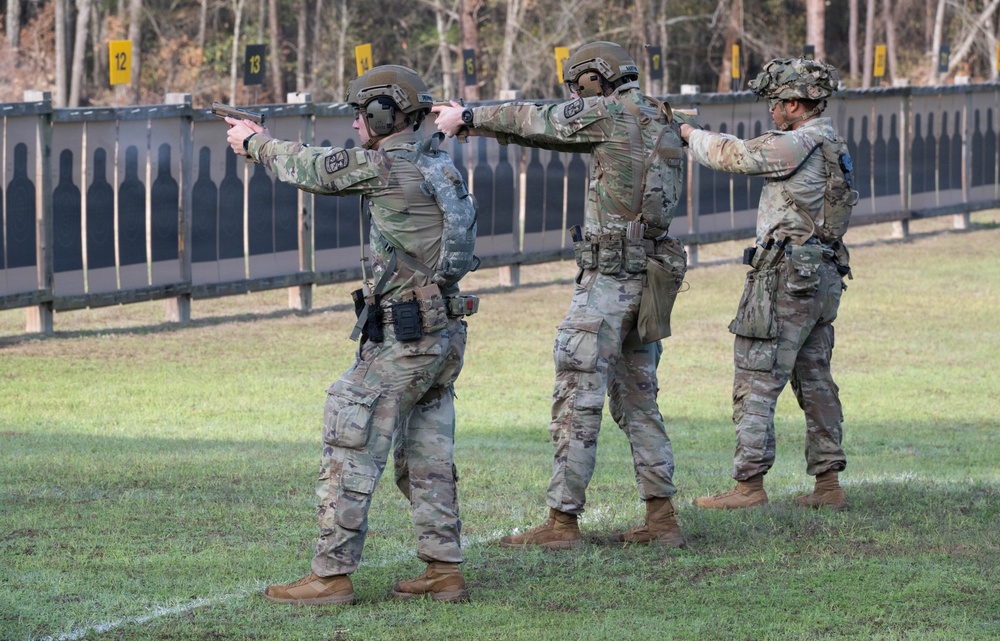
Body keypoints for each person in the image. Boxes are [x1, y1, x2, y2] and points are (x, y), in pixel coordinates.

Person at [225, 65, 478, 604]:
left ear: (383, 114)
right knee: (429, 454)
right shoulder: (436, 161)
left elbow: (313, 168)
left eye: (363, 113)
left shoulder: (388, 166)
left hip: (405, 336)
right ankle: (443, 569)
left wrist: (255, 143)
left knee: (349, 439)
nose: (358, 124)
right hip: (443, 333)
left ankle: (331, 575)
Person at [435, 41, 690, 548]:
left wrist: (468, 114)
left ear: (596, 80)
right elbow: (554, 134)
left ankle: (562, 522)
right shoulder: (656, 114)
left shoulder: (612, 112)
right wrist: (476, 123)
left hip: (610, 278)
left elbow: (542, 119)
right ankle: (661, 519)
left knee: (577, 395)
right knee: (639, 400)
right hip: (649, 276)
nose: (574, 94)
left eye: (578, 85)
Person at [678, 58, 855, 511]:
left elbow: (737, 155)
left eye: (776, 104)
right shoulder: (831, 141)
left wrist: (689, 135)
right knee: (815, 378)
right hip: (822, 276)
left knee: (755, 378)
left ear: (795, 104)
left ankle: (749, 487)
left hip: (785, 279)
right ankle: (828, 486)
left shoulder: (799, 142)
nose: (771, 113)